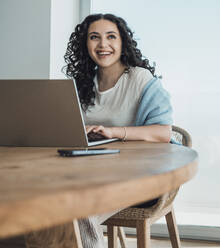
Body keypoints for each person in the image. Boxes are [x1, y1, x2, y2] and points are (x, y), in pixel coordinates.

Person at [63, 13, 173, 248]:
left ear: (123, 42)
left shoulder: (140, 79)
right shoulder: (83, 83)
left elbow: (163, 132)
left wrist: (114, 132)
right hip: (90, 171)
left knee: (80, 209)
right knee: (48, 202)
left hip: (136, 176)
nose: (103, 45)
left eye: (111, 36)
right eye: (94, 37)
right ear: (86, 44)